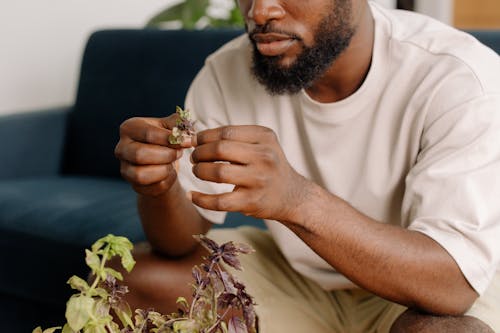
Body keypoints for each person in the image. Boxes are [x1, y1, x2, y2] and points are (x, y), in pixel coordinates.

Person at [114, 0, 500, 332]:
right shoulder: (227, 71)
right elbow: (177, 242)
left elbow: (452, 286)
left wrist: (295, 199)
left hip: (421, 289)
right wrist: (159, 186)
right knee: (136, 283)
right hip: (300, 280)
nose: (259, 11)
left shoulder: (458, 77)